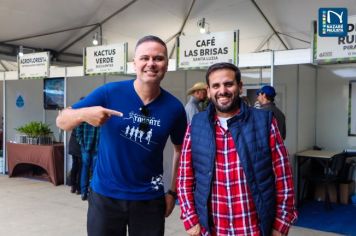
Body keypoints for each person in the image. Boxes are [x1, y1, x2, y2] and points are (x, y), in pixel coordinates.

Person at [56, 35, 187, 236]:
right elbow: (62, 120)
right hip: (105, 196)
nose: (151, 64)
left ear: (166, 65)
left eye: (158, 58)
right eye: (144, 58)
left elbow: (181, 151)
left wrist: (172, 191)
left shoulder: (175, 108)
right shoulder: (110, 93)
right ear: (134, 64)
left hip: (149, 199)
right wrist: (84, 114)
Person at [177, 62, 297, 236]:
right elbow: (184, 177)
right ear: (209, 91)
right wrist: (190, 219)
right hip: (211, 230)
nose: (222, 90)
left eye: (228, 84)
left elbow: (283, 176)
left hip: (254, 229)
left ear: (239, 87)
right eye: (216, 86)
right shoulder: (196, 125)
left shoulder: (265, 122)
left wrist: (281, 223)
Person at [76, 121, 100, 201]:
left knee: (94, 170)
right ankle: (84, 192)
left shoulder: (100, 112)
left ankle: (90, 192)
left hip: (97, 147)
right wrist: (81, 143)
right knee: (86, 169)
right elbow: (78, 129)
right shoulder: (86, 112)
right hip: (86, 146)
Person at [68, 127, 82, 195]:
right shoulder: (81, 123)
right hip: (78, 147)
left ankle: (73, 186)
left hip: (73, 146)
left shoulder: (75, 124)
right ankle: (78, 188)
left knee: (75, 166)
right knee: (80, 168)